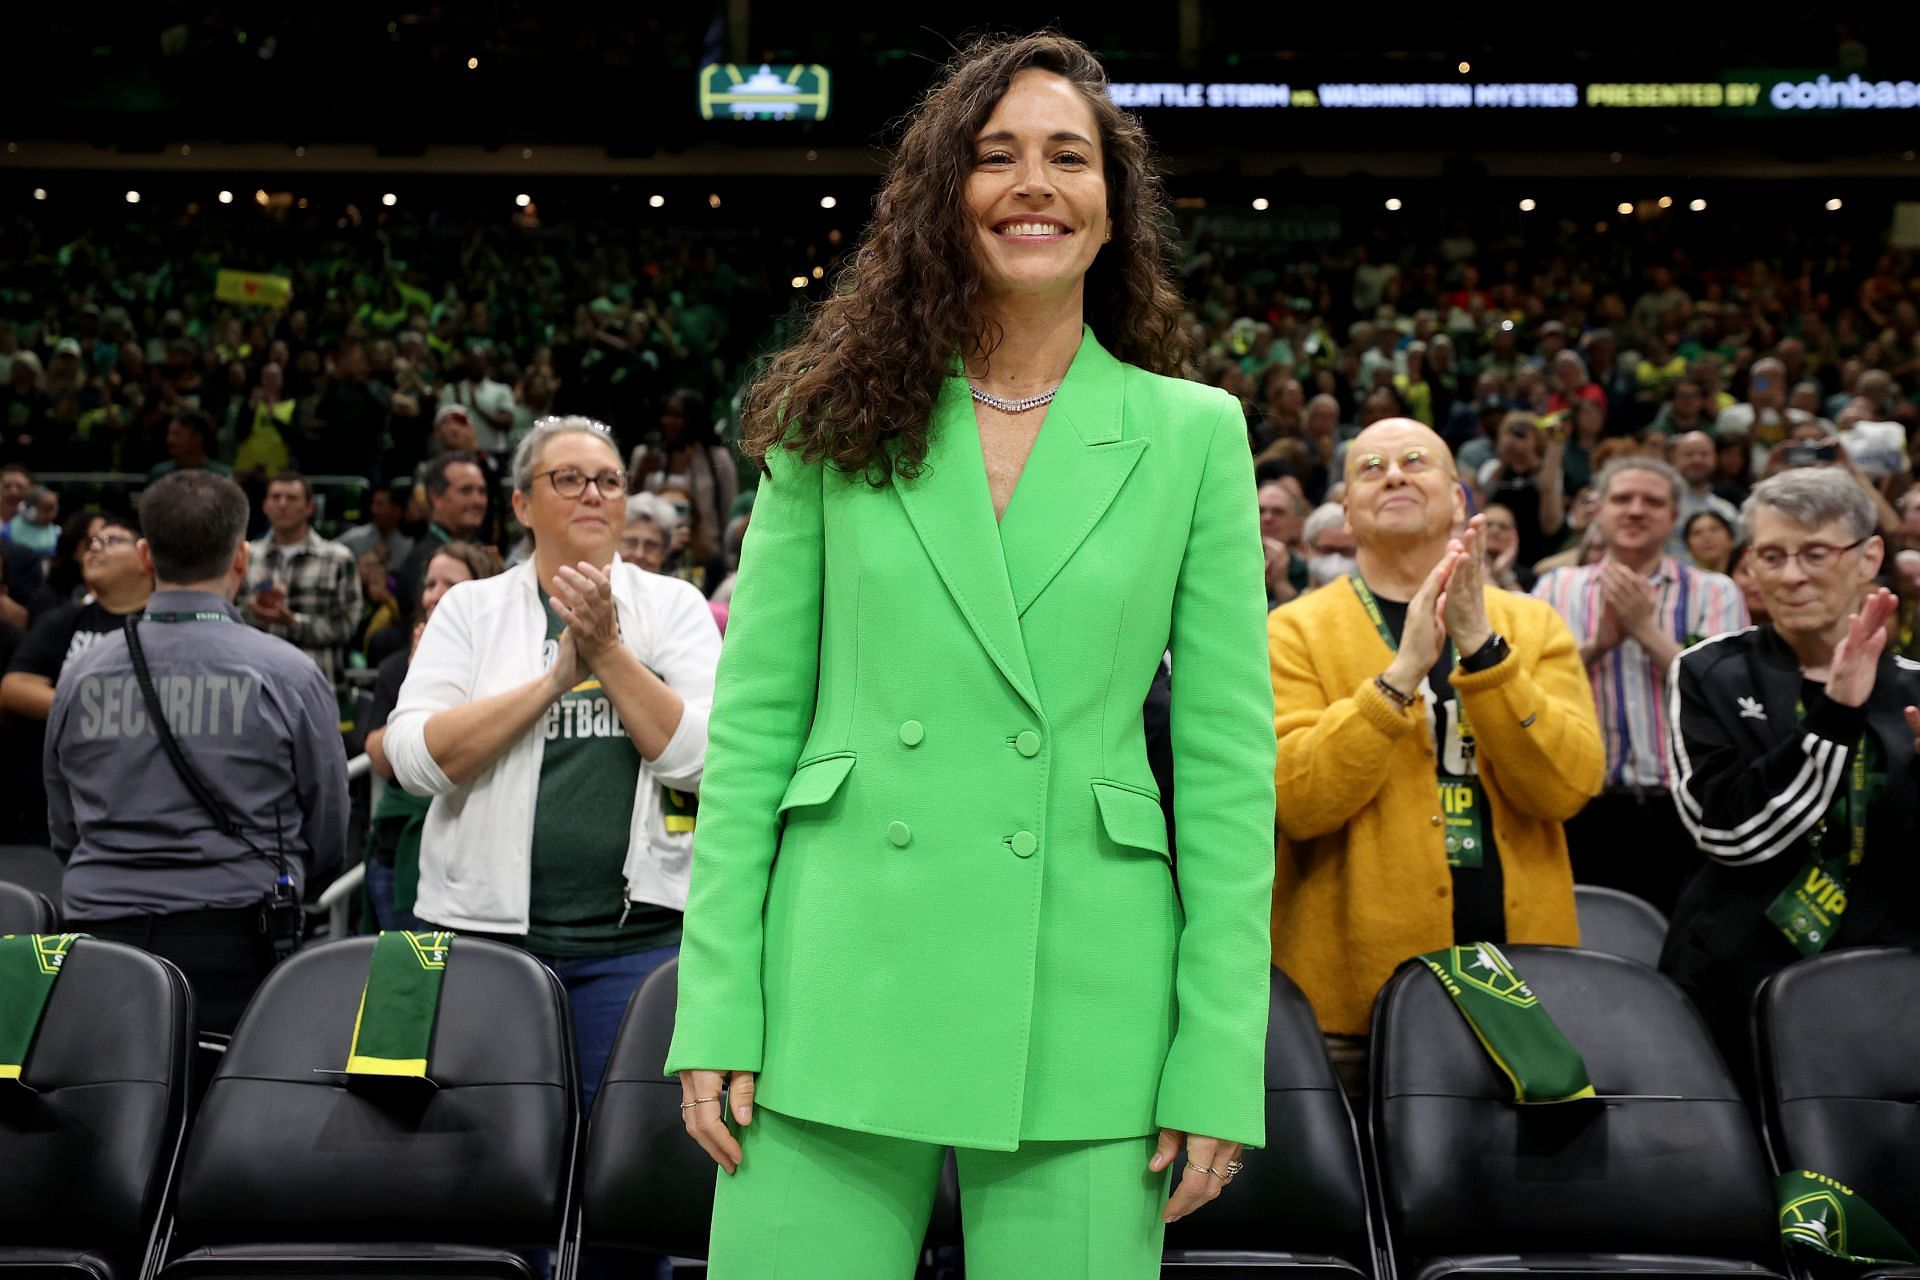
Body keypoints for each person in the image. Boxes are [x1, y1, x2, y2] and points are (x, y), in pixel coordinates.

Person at [666, 35, 1277, 1275]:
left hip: (1091, 991)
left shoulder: (1194, 434)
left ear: (1114, 208)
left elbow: (1224, 772)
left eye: (1068, 157)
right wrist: (718, 1001)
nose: (1032, 185)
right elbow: (749, 743)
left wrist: (1216, 1051)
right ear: (942, 199)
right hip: (831, 981)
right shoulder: (831, 421)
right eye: (994, 158)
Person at [384, 416, 719, 1114]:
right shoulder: (469, 612)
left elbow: (703, 761)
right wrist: (550, 683)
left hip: (639, 946)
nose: (592, 494)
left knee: (619, 1156)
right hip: (483, 939)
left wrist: (608, 654)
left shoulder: (675, 608)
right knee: (489, 1146)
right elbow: (416, 761)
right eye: (567, 479)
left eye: (608, 480)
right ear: (521, 504)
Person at [1270, 417, 1603, 1099]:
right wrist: (1398, 680)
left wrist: (1481, 648)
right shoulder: (1292, 631)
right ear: (1347, 509)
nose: (1394, 474)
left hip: (1526, 990)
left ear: (1458, 499)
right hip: (1349, 1013)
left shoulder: (1533, 625)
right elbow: (1297, 802)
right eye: (1371, 468)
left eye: (1416, 461)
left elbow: (1566, 787)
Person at [43, 472, 348, 1034]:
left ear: (143, 555)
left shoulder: (80, 674)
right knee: (227, 1108)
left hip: (98, 932)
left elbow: (63, 824)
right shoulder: (287, 673)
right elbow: (327, 823)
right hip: (237, 935)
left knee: (111, 1105)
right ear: (241, 557)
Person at [1663, 468, 1920, 1092]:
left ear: (1869, 558)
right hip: (1733, 992)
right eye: (1771, 556)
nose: (1791, 575)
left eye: (1814, 553)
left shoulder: (1915, 686)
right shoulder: (1709, 672)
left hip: (1889, 991)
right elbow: (1729, 836)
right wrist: (1834, 717)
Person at [1533, 458, 1747, 913]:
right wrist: (1597, 645)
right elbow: (1532, 695)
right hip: (1580, 808)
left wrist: (1645, 631)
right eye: (1622, 499)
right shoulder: (1555, 589)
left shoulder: (1716, 591)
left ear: (1673, 517)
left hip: (1684, 808)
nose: (1635, 510)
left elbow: (1726, 699)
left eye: (1652, 502)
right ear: (1598, 511)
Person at [361, 539, 497, 932]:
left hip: (466, 856)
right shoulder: (394, 667)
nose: (435, 596)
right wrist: (421, 676)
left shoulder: (505, 667)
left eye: (450, 585)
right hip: (395, 854)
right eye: (430, 584)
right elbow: (380, 756)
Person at [241, 472, 364, 692]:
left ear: (309, 507)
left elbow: (346, 625)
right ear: (264, 506)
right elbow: (230, 618)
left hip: (317, 684)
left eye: (291, 498)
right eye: (275, 497)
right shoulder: (247, 556)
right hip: (258, 683)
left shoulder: (337, 558)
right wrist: (256, 611)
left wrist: (293, 623)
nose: (282, 504)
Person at [632, 388, 739, 556]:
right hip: (652, 551)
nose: (669, 421)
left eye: (678, 416)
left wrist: (727, 559)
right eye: (667, 415)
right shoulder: (644, 456)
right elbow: (628, 505)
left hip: (703, 553)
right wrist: (640, 475)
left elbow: (728, 509)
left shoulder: (716, 458)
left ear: (694, 420)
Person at [391, 449, 491, 624]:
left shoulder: (484, 552)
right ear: (436, 497)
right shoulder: (421, 560)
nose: (478, 500)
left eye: (482, 491)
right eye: (466, 490)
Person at [1668, 430, 1740, 553]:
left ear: (1715, 459)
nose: (1697, 460)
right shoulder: (1661, 506)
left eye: (1704, 454)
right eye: (1689, 454)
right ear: (1674, 460)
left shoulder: (1727, 512)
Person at [1258, 480, 1309, 606]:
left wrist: (1280, 583)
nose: (1267, 518)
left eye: (1278, 512)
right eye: (1260, 511)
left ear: (1297, 526)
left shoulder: (1307, 572)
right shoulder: (1228, 563)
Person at [619, 492, 676, 573]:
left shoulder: (676, 585)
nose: (639, 554)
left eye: (650, 546)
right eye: (631, 542)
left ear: (664, 554)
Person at [1684, 510, 1737, 575]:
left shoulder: (1750, 577)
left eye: (1714, 529)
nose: (1707, 537)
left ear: (1731, 538)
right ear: (1688, 547)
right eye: (1697, 533)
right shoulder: (1682, 582)